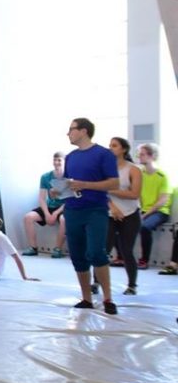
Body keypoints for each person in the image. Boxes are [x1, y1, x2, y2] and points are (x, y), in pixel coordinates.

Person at [62, 117, 119, 314]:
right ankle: (86, 298)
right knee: (77, 255)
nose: (68, 133)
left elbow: (114, 183)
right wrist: (58, 191)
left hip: (95, 209)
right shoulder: (70, 157)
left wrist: (86, 185)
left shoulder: (103, 154)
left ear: (84, 131)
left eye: (71, 129)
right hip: (72, 209)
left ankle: (108, 298)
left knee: (96, 252)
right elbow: (70, 183)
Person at [105, 137, 142, 295]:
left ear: (123, 149)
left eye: (114, 146)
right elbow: (100, 192)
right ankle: (96, 282)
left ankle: (132, 285)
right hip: (110, 213)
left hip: (130, 214)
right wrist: (113, 208)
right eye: (109, 145)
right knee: (103, 249)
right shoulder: (105, 169)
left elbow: (134, 194)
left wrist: (110, 190)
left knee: (126, 250)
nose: (110, 148)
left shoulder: (133, 169)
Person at [21, 151, 67, 258]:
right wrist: (47, 214)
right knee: (28, 217)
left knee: (64, 219)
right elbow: (42, 198)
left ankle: (57, 249)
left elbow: (69, 200)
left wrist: (55, 214)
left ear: (64, 162)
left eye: (59, 160)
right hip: (49, 207)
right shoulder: (45, 177)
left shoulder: (69, 177)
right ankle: (33, 247)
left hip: (63, 208)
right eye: (54, 160)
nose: (56, 163)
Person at [136, 143, 170, 268]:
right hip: (143, 210)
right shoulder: (140, 174)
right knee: (119, 222)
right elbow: (137, 195)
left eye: (142, 154)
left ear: (152, 156)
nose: (139, 157)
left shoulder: (162, 176)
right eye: (139, 154)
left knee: (145, 227)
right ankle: (121, 258)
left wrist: (145, 215)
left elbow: (162, 200)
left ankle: (144, 260)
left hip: (160, 212)